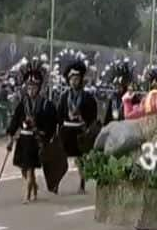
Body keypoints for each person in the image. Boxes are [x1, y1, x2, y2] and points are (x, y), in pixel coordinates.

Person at [6, 62, 56, 204]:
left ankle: (27, 195)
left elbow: (51, 123)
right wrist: (10, 138)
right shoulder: (23, 103)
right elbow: (15, 121)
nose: (31, 90)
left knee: (30, 169)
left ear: (39, 87)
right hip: (23, 139)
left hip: (36, 140)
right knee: (24, 169)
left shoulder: (45, 104)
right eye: (28, 87)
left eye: (34, 87)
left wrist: (39, 128)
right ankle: (34, 186)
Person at [56, 54, 98, 194]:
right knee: (60, 158)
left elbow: (93, 115)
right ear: (69, 80)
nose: (74, 81)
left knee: (81, 160)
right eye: (72, 79)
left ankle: (82, 183)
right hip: (67, 129)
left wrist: (83, 119)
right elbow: (59, 114)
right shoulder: (63, 97)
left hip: (80, 130)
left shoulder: (87, 97)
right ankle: (56, 182)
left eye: (77, 78)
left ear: (81, 80)